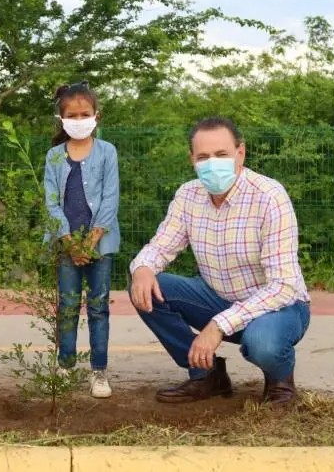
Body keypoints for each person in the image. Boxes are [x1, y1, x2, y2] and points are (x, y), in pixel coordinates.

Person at [129, 117, 310, 406]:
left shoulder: (269, 196)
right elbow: (160, 246)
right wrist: (142, 268)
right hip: (218, 298)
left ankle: (280, 383)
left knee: (263, 343)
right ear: (192, 159)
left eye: (221, 154)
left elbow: (283, 286)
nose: (212, 164)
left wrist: (218, 325)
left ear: (241, 153)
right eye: (203, 157)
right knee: (147, 287)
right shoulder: (188, 195)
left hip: (277, 307)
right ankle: (207, 374)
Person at [43, 81, 120, 398]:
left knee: (99, 306)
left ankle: (99, 371)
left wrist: (91, 240)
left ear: (96, 116)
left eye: (84, 114)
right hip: (66, 248)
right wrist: (70, 242)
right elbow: (51, 202)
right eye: (72, 116)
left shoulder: (107, 152)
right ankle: (65, 366)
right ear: (61, 119)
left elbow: (110, 198)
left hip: (100, 245)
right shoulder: (54, 156)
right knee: (68, 305)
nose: (78, 120)